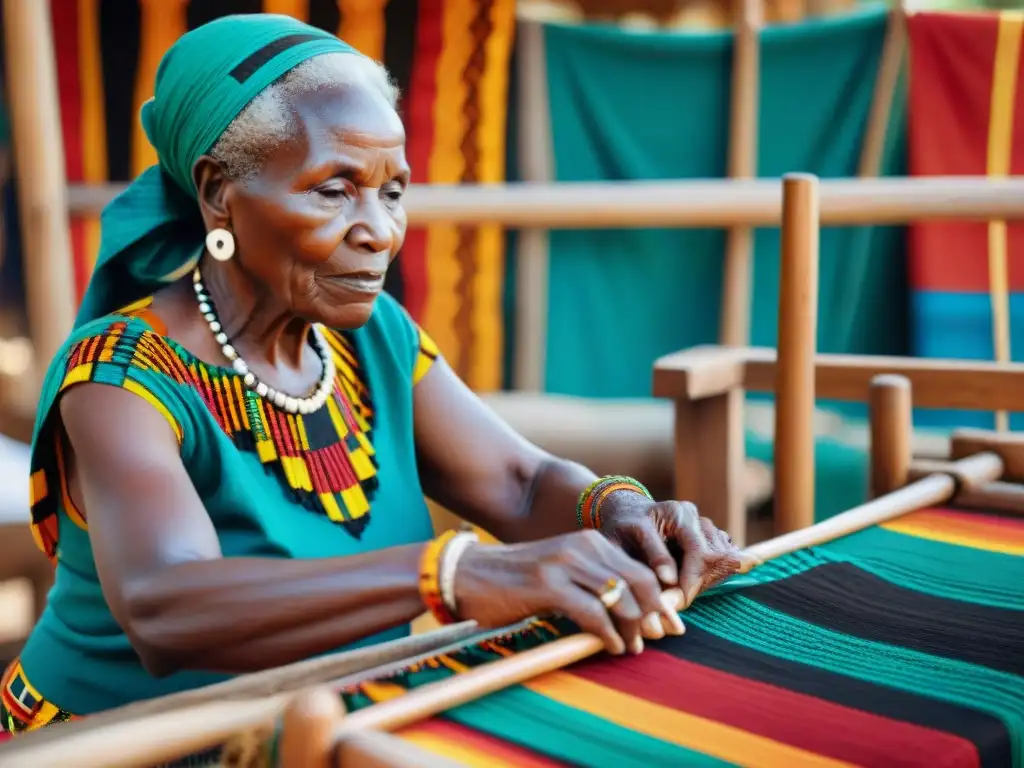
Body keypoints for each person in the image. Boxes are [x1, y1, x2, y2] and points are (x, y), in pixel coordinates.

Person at [0, 14, 746, 732]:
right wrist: (457, 575)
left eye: (392, 191)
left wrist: (619, 514)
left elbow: (518, 483)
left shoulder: (370, 337)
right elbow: (165, 606)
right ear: (218, 192)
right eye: (333, 190)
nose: (380, 232)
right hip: (128, 741)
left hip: (332, 724)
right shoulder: (120, 376)